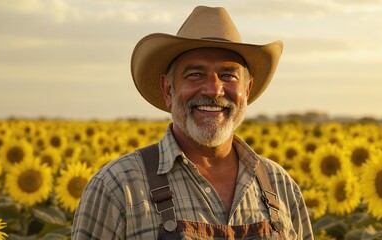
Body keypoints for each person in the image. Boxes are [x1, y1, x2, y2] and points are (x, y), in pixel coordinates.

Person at [72, 5, 314, 240]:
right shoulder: (118, 187)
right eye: (195, 74)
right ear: (168, 89)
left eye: (228, 75)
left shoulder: (279, 184)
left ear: (247, 90)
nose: (214, 90)